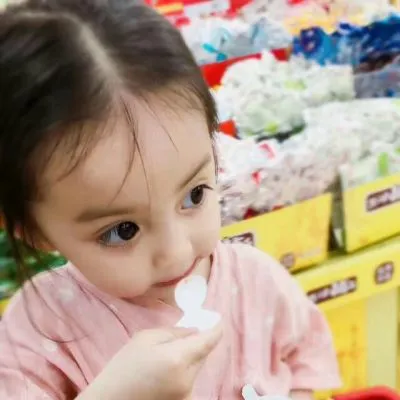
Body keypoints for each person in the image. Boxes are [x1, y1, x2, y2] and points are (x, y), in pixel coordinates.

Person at [0, 0, 341, 399]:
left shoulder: (256, 282)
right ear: (32, 230)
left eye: (194, 195)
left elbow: (303, 362)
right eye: (122, 231)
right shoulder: (39, 330)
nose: (177, 253)